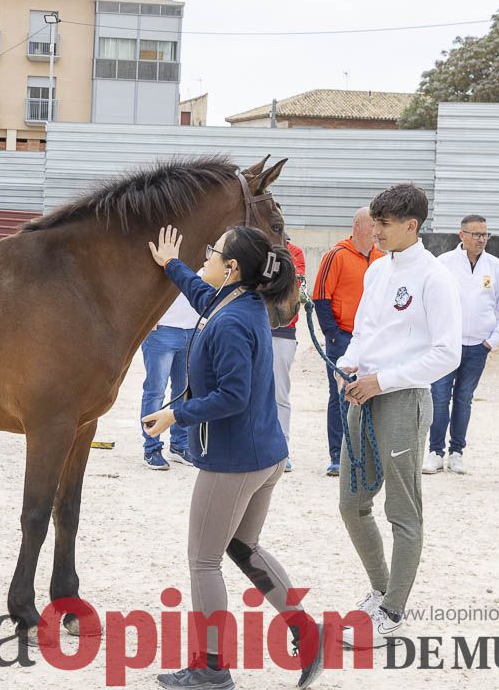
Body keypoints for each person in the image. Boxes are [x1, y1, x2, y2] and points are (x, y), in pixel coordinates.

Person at [143, 225, 326, 690]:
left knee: (204, 561)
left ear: (232, 268)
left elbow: (233, 396)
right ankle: (308, 635)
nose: (206, 257)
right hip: (264, 453)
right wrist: (172, 265)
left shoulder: (230, 321)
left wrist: (174, 414)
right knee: (244, 547)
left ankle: (211, 668)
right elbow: (202, 294)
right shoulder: (238, 303)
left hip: (237, 458)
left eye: (213, 252)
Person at [334, 184, 460, 648]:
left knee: (402, 510)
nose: (375, 230)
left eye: (385, 224)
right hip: (361, 397)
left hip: (402, 401)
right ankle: (381, 588)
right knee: (352, 503)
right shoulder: (377, 270)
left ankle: (391, 610)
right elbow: (365, 333)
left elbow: (447, 355)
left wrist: (382, 381)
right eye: (375, 222)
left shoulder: (435, 276)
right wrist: (349, 363)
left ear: (413, 225)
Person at [425, 215, 499, 475]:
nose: (482, 240)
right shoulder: (444, 263)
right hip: (447, 344)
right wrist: (435, 335)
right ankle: (435, 452)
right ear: (461, 235)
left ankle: (457, 452)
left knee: (464, 399)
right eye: (476, 234)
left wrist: (493, 339)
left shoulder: (495, 266)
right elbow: (429, 299)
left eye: (485, 234)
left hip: (478, 346)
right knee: (439, 396)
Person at [312, 208, 384, 476]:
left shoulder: (380, 258)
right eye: (373, 223)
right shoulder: (336, 255)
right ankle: (337, 454)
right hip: (342, 336)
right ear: (358, 225)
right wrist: (332, 334)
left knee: (371, 392)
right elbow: (320, 296)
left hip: (372, 337)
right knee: (340, 394)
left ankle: (364, 452)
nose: (377, 229)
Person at [137, 292, 198, 470]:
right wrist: (148, 317)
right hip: (163, 329)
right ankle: (151, 448)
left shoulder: (210, 263)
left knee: (184, 390)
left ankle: (179, 444)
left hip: (193, 330)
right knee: (155, 391)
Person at [270, 237, 307, 472]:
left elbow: (292, 282)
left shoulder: (295, 252)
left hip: (283, 331)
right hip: (257, 326)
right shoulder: (256, 251)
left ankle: (282, 449)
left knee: (280, 393)